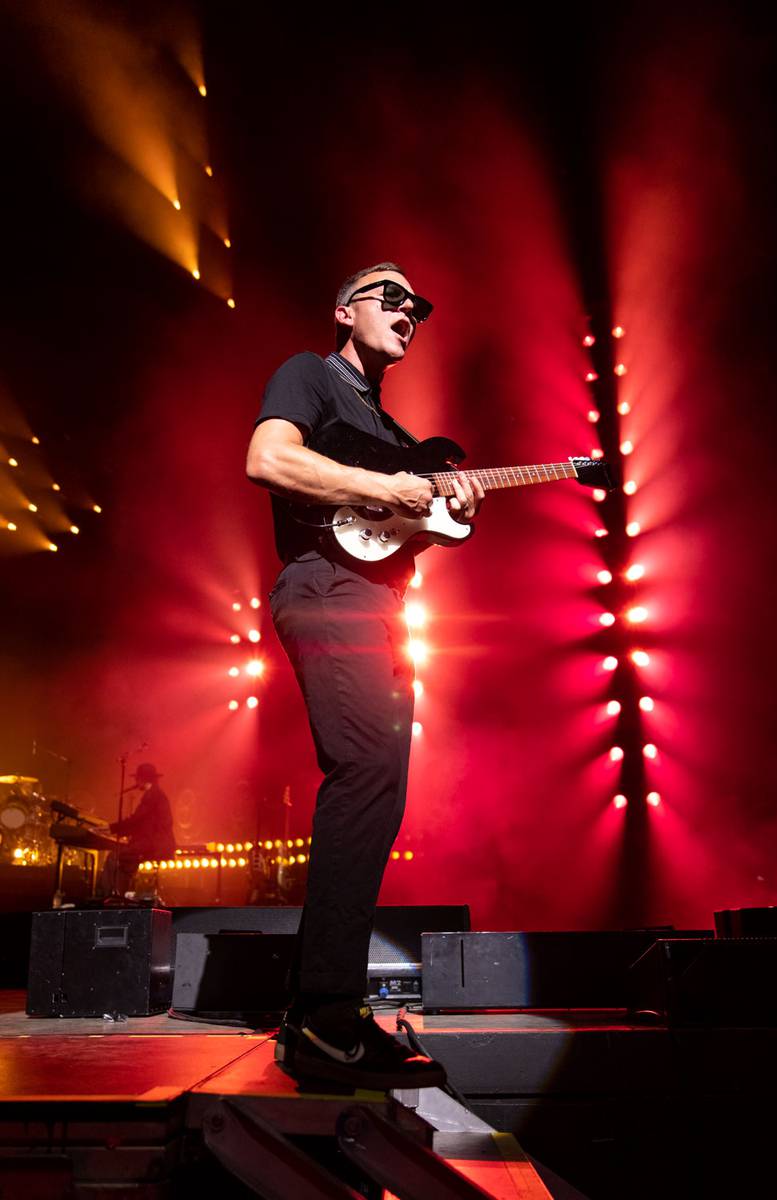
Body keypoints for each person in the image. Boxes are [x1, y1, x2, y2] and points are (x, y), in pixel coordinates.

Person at [246, 263, 484, 1089]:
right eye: (389, 296)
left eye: (417, 306)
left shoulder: (389, 426)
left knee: (380, 787)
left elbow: (385, 533)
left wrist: (443, 512)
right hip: (324, 589)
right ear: (344, 309)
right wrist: (387, 484)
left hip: (380, 603)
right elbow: (268, 458)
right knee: (362, 775)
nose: (407, 312)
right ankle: (321, 1017)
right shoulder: (309, 374)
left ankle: (325, 1009)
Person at [100, 762, 176, 898]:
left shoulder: (153, 796)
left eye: (137, 779)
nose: (135, 782)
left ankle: (110, 897)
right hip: (154, 842)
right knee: (123, 858)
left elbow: (136, 820)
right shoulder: (155, 794)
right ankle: (118, 895)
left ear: (142, 779)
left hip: (154, 844)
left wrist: (111, 828)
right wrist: (114, 829)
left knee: (114, 857)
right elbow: (140, 823)